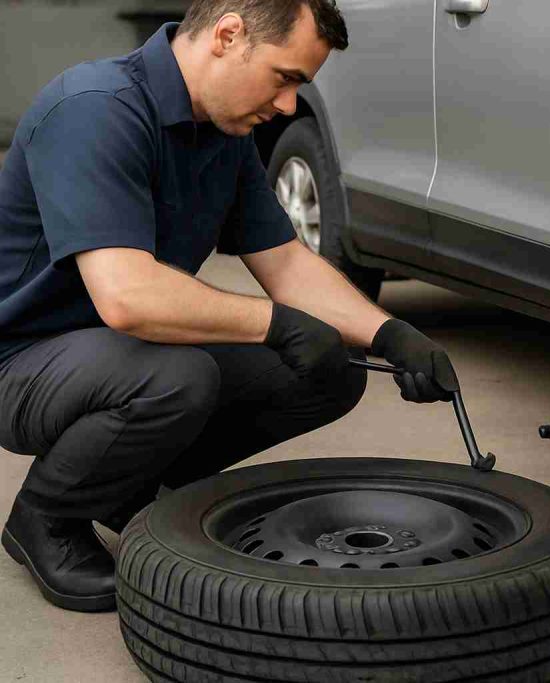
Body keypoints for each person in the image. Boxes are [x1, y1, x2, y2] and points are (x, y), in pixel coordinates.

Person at [0, 0, 458, 613]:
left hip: (120, 352)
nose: (290, 105)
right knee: (177, 377)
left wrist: (391, 333)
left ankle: (126, 485)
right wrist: (276, 324)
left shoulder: (223, 131)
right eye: (286, 76)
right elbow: (128, 297)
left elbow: (286, 263)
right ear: (228, 34)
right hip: (21, 361)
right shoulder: (93, 110)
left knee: (329, 367)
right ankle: (45, 518)